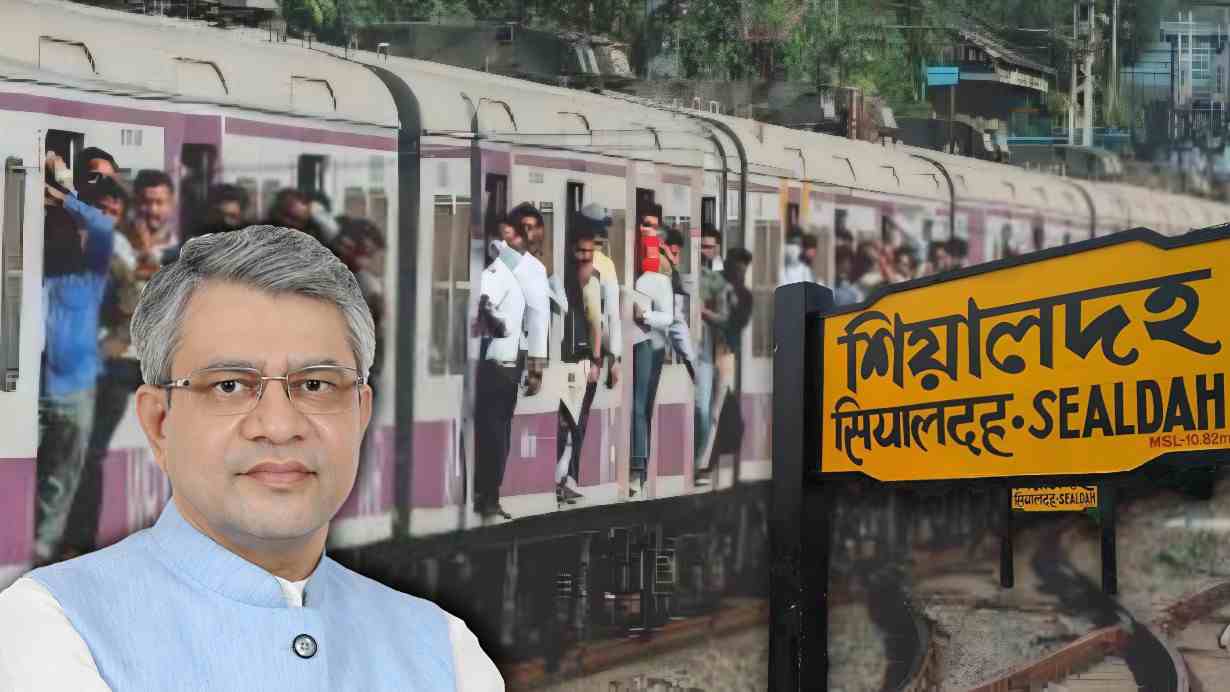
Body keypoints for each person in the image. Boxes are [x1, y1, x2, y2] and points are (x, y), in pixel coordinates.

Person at [0, 226, 503, 690]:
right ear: (159, 422)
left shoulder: (446, 650)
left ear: (361, 412)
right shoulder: (51, 626)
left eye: (315, 384)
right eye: (230, 385)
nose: (280, 427)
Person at [32, 152, 118, 566]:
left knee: (58, 487)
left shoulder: (91, 274)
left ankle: (41, 559)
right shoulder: (36, 280)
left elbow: (102, 224)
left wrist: (59, 189)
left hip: (74, 390)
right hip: (32, 394)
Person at [473, 220, 528, 522]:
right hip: (495, 365)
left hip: (508, 365)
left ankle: (492, 494)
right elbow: (486, 305)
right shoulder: (496, 274)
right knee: (495, 434)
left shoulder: (512, 275)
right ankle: (488, 497)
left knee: (500, 433)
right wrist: (503, 328)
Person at [549, 226, 603, 505]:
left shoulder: (592, 284)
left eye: (588, 253)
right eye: (579, 251)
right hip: (564, 362)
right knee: (565, 422)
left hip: (582, 363)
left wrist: (595, 362)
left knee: (574, 423)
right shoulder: (563, 281)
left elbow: (597, 325)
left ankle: (567, 479)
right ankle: (562, 479)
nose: (583, 257)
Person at [630, 208, 673, 496]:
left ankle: (637, 468)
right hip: (629, 345)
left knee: (639, 406)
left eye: (653, 227)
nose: (648, 231)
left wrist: (645, 316)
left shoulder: (659, 277)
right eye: (644, 224)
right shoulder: (625, 267)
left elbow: (668, 317)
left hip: (649, 345)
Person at [694, 225, 733, 482]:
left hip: (723, 350)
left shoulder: (725, 277)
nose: (704, 251)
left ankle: (704, 464)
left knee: (714, 409)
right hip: (703, 347)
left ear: (717, 247)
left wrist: (704, 312)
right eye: (701, 246)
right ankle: (700, 462)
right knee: (703, 407)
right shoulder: (694, 272)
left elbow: (729, 318)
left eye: (709, 246)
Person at [508, 202, 551, 399]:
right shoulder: (533, 268)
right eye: (526, 228)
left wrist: (535, 368)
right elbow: (538, 320)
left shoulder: (534, 268)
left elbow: (537, 320)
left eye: (534, 229)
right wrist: (536, 370)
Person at [580, 203, 622, 391]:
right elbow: (613, 315)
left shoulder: (574, 256)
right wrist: (615, 357)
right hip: (591, 350)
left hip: (577, 346)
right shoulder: (606, 264)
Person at [658, 226, 696, 381]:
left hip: (673, 309)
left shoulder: (671, 271)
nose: (676, 260)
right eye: (673, 253)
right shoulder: (659, 266)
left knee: (688, 353)